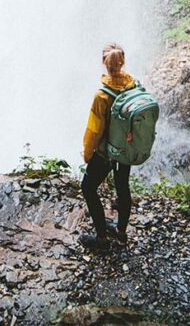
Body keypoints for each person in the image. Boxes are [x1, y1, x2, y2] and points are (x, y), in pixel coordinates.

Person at [79, 42, 134, 250]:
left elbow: (94, 130)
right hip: (125, 148)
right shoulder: (132, 85)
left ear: (105, 63)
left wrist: (87, 154)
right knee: (122, 187)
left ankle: (101, 237)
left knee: (88, 187)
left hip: (106, 152)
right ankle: (121, 232)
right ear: (123, 62)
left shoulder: (102, 96)